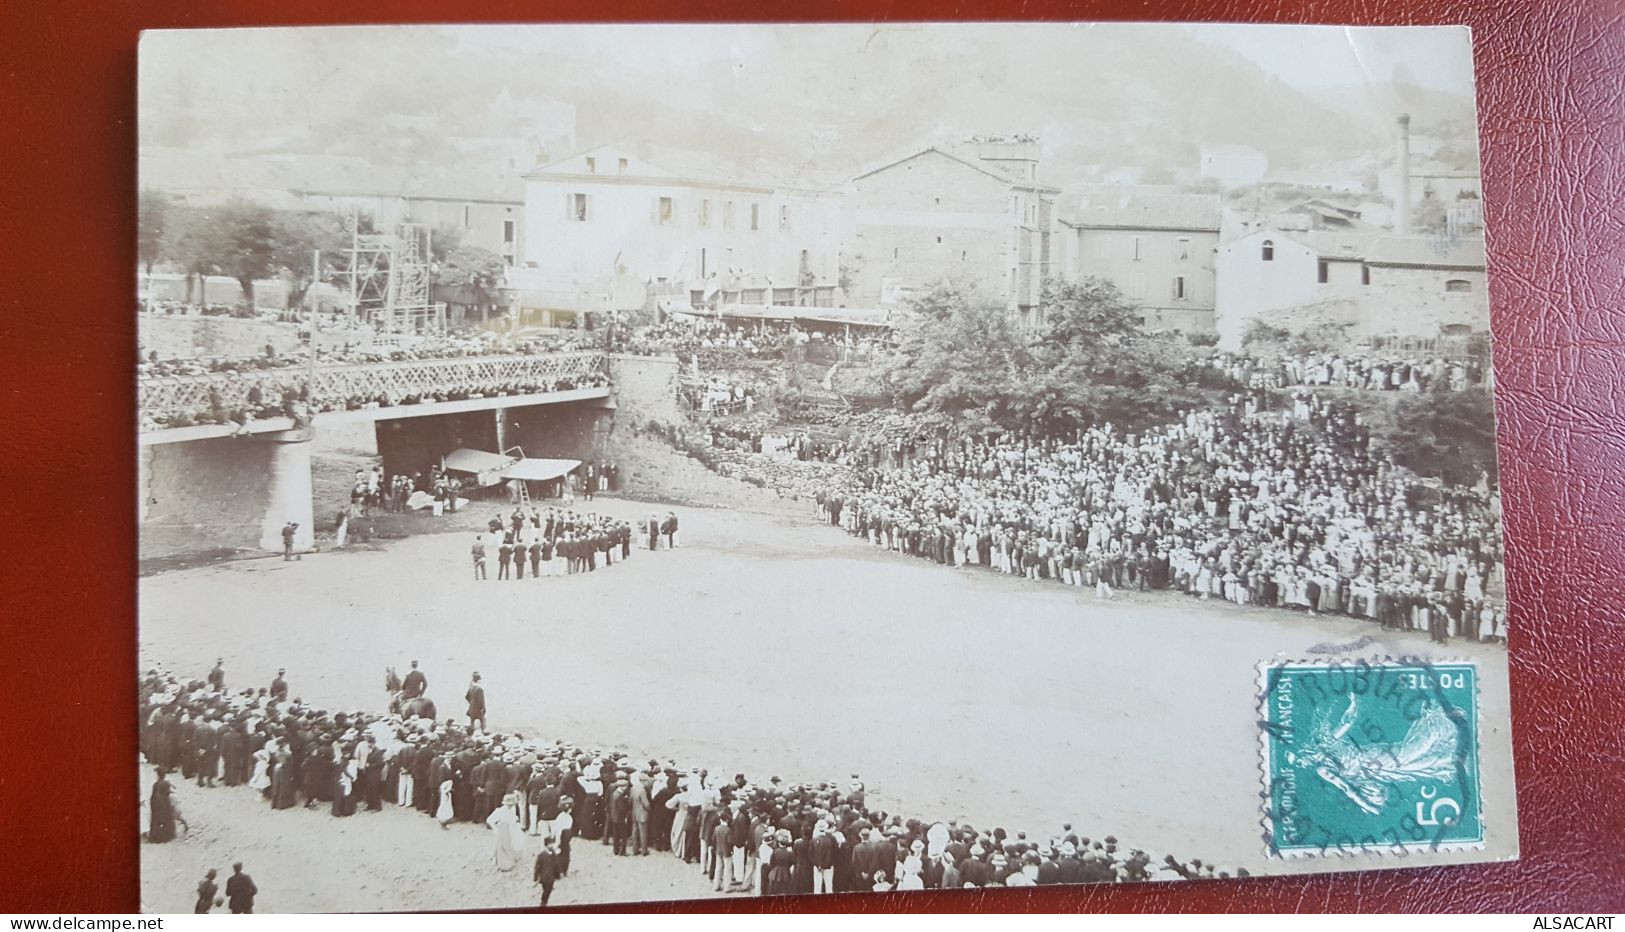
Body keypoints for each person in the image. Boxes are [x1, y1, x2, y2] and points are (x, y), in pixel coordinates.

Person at [487, 791, 525, 871]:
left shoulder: (511, 810)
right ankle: (503, 863)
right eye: (509, 804)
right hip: (503, 830)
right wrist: (495, 828)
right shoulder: (500, 811)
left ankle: (505, 859)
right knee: (502, 846)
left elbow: (513, 821)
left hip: (509, 830)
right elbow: (489, 820)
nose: (510, 805)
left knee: (509, 845)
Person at [533, 835, 563, 906]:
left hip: (551, 876)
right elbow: (537, 867)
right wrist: (536, 876)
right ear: (546, 845)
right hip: (544, 877)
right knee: (546, 889)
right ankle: (543, 901)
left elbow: (556, 864)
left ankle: (544, 900)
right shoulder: (541, 855)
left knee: (550, 888)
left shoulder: (553, 853)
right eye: (550, 844)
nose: (551, 845)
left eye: (552, 843)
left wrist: (559, 873)